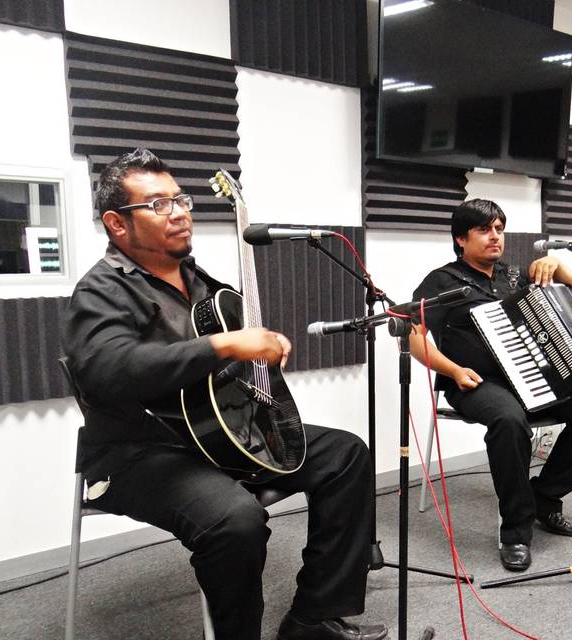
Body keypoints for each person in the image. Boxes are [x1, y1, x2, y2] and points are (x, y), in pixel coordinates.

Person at [61, 149, 386, 640]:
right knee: (236, 520)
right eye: (158, 204)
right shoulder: (101, 290)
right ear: (117, 224)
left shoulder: (200, 281)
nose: (179, 213)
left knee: (345, 455)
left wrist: (264, 349)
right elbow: (109, 370)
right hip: (137, 453)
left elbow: (229, 361)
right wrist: (223, 344)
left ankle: (313, 617)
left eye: (181, 200)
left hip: (218, 438)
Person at [410, 199, 572, 572]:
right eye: (484, 230)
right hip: (474, 382)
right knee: (509, 420)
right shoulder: (441, 280)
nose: (495, 237)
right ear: (460, 239)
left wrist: (563, 270)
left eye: (500, 229)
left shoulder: (517, 276)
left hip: (533, 379)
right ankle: (516, 531)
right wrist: (453, 370)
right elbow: (413, 335)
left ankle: (545, 498)